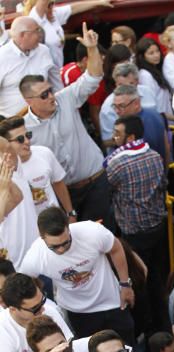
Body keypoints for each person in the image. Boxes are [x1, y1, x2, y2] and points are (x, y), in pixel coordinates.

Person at [21, 23, 111, 225]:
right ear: (29, 101)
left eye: (50, 90)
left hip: (95, 182)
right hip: (63, 193)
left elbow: (94, 76)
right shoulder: (24, 129)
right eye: (44, 95)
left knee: (104, 237)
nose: (52, 96)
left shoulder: (65, 98)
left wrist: (92, 48)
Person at [19, 206, 135, 345]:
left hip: (113, 302)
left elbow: (116, 248)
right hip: (78, 312)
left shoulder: (92, 231)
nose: (61, 249)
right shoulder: (34, 257)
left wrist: (125, 284)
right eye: (54, 247)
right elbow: (25, 282)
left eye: (65, 243)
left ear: (69, 228)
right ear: (42, 236)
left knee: (128, 349)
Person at [105, 114, 168, 332]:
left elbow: (107, 189)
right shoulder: (155, 156)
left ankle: (148, 329)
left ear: (130, 137)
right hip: (158, 227)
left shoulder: (116, 163)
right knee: (157, 279)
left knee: (139, 283)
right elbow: (163, 184)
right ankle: (163, 325)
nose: (114, 138)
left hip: (133, 234)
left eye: (117, 134)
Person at [0, 272, 71, 352]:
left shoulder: (50, 311)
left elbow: (71, 350)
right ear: (13, 309)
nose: (43, 309)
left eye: (42, 301)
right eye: (35, 308)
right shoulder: (2, 330)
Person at [0, 116, 74, 217]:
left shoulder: (44, 153)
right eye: (20, 139)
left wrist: (70, 213)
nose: (27, 141)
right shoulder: (4, 171)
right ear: (6, 144)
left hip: (55, 223)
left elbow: (58, 183)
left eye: (28, 135)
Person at [0, 16, 61, 117]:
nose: (40, 35)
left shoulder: (43, 51)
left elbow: (56, 81)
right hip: (15, 123)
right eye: (36, 31)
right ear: (23, 35)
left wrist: (60, 106)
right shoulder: (2, 57)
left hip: (45, 117)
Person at [24, 0, 113, 68]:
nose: (52, 7)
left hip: (57, 68)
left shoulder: (53, 14)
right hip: (43, 69)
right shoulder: (35, 19)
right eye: (49, 5)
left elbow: (73, 8)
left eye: (53, 4)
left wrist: (99, 2)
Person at [0, 137, 40, 269]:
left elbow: (17, 197)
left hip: (37, 254)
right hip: (12, 269)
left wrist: (6, 183)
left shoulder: (7, 168)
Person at [111, 85, 169, 165]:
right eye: (114, 106)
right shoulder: (155, 113)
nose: (117, 111)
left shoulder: (134, 127)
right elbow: (167, 146)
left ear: (136, 103)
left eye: (122, 106)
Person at [134, 37, 173, 117]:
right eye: (151, 53)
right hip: (161, 120)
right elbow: (150, 105)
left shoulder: (157, 70)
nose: (156, 55)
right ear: (142, 56)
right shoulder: (145, 75)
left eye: (157, 51)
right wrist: (172, 118)